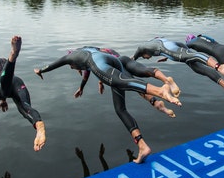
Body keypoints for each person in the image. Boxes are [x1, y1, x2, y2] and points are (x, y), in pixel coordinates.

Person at [34, 46, 181, 163]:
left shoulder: (71, 57)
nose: (72, 68)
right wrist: (82, 87)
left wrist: (41, 70)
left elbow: (57, 63)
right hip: (112, 60)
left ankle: (160, 91)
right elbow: (88, 71)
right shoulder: (86, 52)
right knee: (120, 109)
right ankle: (142, 146)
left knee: (121, 82)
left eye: (71, 67)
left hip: (100, 62)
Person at [0, 35, 47, 152]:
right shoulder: (2, 60)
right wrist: (4, 100)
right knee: (25, 107)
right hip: (17, 82)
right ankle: (39, 126)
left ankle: (13, 55)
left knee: (3, 86)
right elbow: (7, 77)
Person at [131, 37, 224, 105]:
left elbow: (135, 55)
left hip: (171, 51)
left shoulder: (142, 47)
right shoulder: (158, 41)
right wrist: (170, 55)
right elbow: (179, 45)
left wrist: (133, 58)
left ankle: (219, 66)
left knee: (193, 55)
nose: (148, 58)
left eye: (145, 57)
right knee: (200, 68)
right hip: (173, 49)